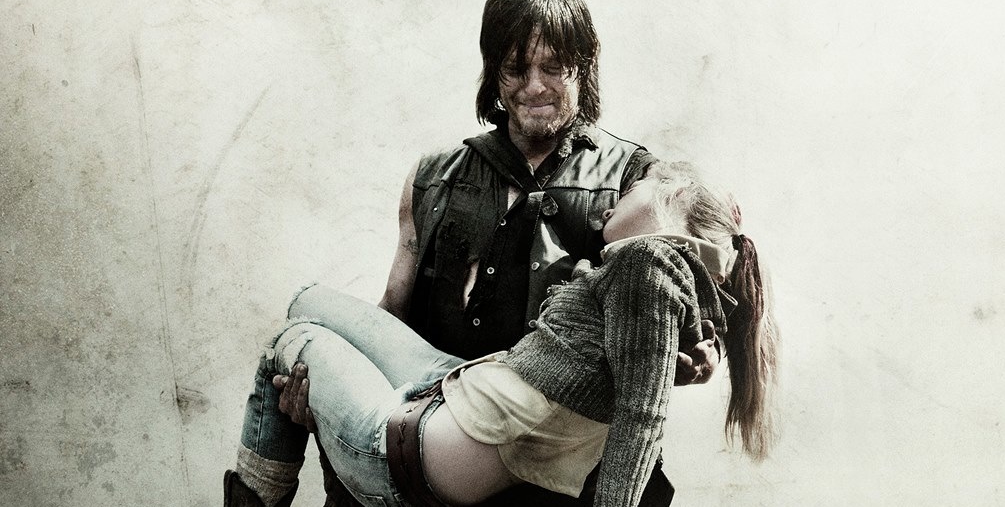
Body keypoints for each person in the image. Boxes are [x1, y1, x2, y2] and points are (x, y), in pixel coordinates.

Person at [273, 0, 719, 506]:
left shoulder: (638, 187)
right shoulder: (433, 178)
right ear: (493, 71)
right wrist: (326, 392)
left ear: (584, 65)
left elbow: (697, 316)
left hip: (569, 485)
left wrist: (696, 355)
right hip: (449, 452)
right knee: (302, 330)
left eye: (553, 67)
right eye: (515, 68)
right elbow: (393, 313)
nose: (534, 86)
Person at [224, 162, 780, 507]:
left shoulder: (649, 264)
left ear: (669, 200)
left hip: (406, 451)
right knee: (308, 301)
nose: (615, 201)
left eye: (636, 189)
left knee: (290, 338)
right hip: (455, 386)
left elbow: (642, 418)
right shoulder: (670, 283)